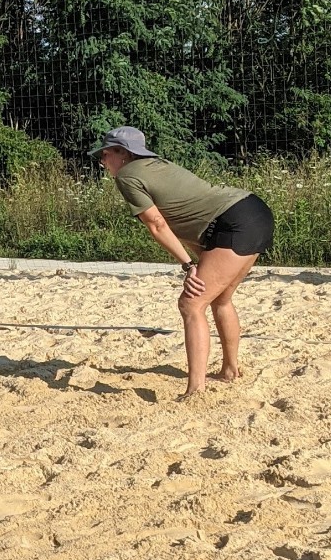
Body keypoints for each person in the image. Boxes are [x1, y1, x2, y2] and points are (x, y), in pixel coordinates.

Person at [95, 125, 274, 398]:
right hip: (253, 211)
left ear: (123, 153)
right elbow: (190, 221)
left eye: (105, 154)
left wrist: (188, 266)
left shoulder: (128, 176)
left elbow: (157, 224)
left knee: (191, 304)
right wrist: (198, 262)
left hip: (234, 222)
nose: (102, 161)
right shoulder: (157, 165)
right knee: (220, 299)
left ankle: (196, 390)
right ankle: (229, 370)